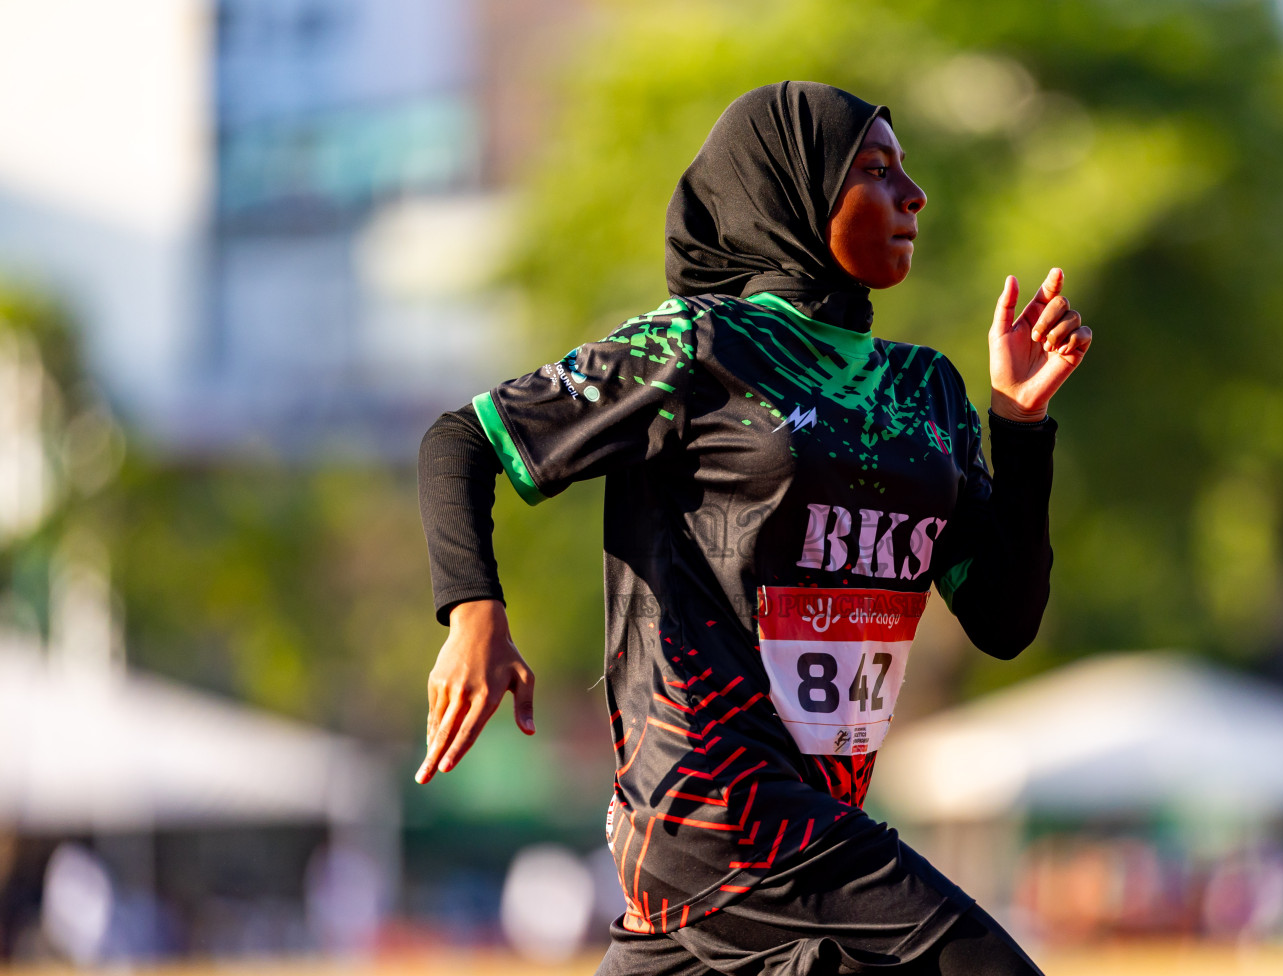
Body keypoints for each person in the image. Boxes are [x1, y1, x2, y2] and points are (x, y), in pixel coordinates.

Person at [415, 82, 1091, 975]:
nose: (914, 194)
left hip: (806, 821)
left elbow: (1005, 622)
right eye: (878, 172)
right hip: (712, 805)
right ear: (795, 192)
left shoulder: (926, 391)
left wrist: (1019, 423)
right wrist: (473, 615)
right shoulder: (697, 347)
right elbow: (460, 439)